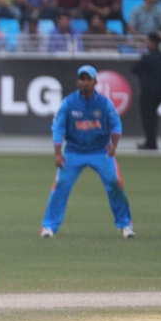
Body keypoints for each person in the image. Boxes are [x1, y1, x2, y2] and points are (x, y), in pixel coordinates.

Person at [40, 65, 134, 238]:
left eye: (88, 79)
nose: (85, 82)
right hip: (74, 152)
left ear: (95, 82)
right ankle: (49, 226)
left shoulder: (104, 103)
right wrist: (58, 152)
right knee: (60, 185)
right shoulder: (69, 103)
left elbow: (116, 124)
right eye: (82, 79)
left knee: (115, 183)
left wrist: (114, 145)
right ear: (78, 81)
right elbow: (58, 127)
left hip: (100, 151)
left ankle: (125, 225)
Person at [132, 33, 161, 150]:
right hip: (159, 91)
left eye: (147, 41)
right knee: (154, 118)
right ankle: (152, 141)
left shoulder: (146, 58)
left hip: (147, 91)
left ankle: (150, 143)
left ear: (153, 42)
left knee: (148, 118)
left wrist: (143, 72)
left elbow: (134, 69)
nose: (146, 43)